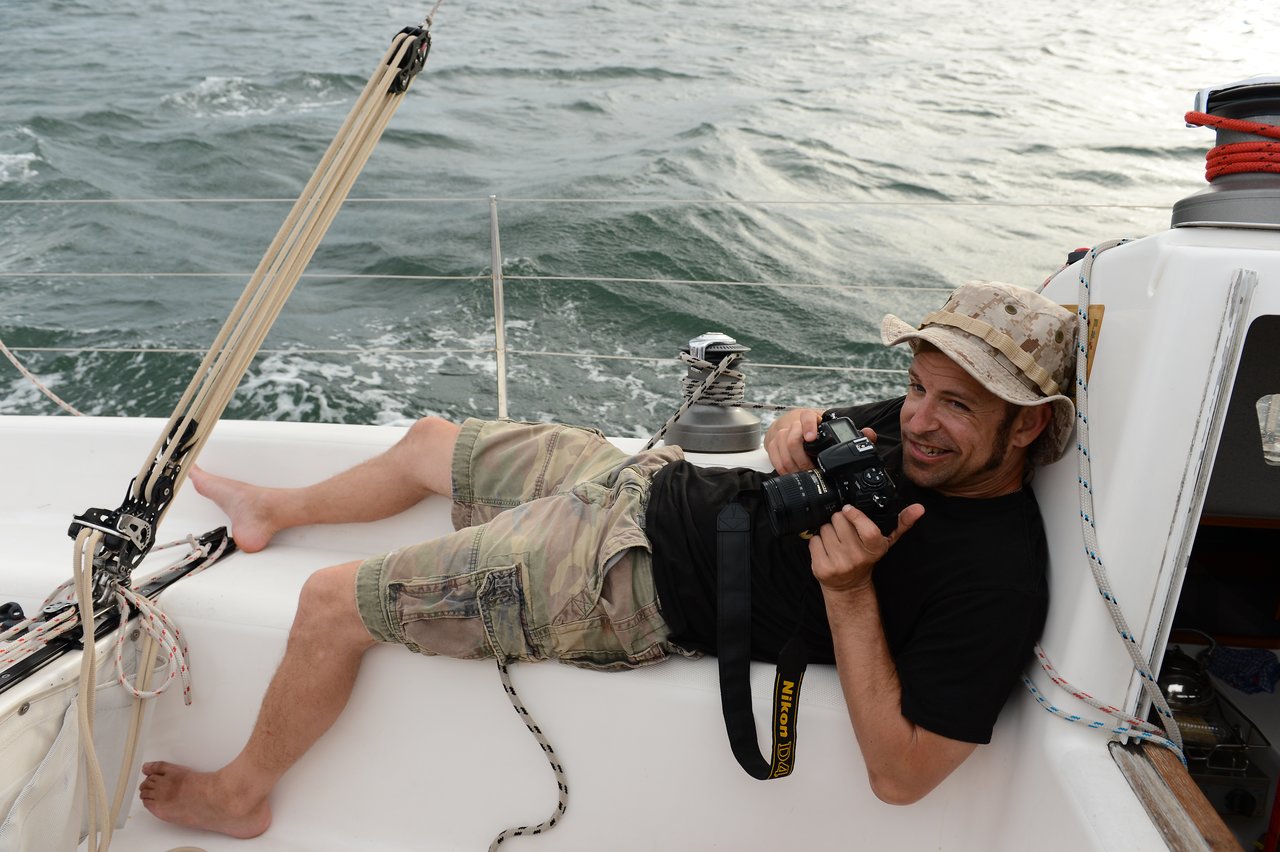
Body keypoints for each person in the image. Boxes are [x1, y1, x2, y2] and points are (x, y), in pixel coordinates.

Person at [138, 280, 1077, 838]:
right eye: (916, 388)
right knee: (431, 440)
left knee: (331, 601)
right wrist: (799, 428)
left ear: (1026, 423)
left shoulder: (995, 580)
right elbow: (827, 431)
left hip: (623, 583)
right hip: (655, 487)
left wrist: (849, 591)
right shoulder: (919, 436)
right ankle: (273, 506)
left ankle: (241, 794)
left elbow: (902, 777)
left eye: (954, 405)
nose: (914, 418)